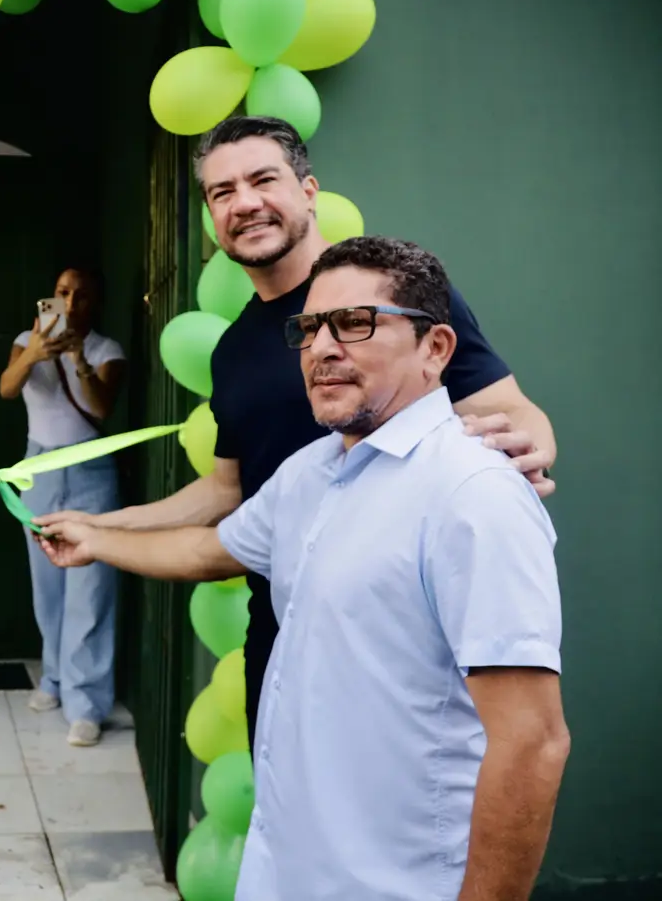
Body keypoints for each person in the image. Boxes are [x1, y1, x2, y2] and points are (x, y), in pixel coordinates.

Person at [39, 236, 570, 901]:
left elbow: (532, 742)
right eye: (310, 329)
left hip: (396, 883)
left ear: (435, 348)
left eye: (354, 323)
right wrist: (95, 538)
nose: (322, 347)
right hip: (285, 866)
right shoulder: (309, 473)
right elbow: (210, 550)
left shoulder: (472, 492)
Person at [35, 116, 558, 746]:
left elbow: (513, 411)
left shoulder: (392, 300)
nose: (245, 203)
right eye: (223, 192)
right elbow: (225, 492)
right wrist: (101, 526)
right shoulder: (233, 351)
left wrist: (525, 451)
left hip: (395, 634)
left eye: (263, 180)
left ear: (308, 191)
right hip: (280, 631)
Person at [0, 267, 126, 747]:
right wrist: (35, 352)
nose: (70, 303)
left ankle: (86, 703)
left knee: (90, 589)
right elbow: (7, 388)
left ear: (95, 303)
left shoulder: (107, 350)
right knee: (47, 584)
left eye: (82, 296)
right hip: (38, 467)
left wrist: (78, 359)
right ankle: (53, 677)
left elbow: (101, 409)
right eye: (62, 293)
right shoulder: (25, 340)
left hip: (91, 470)